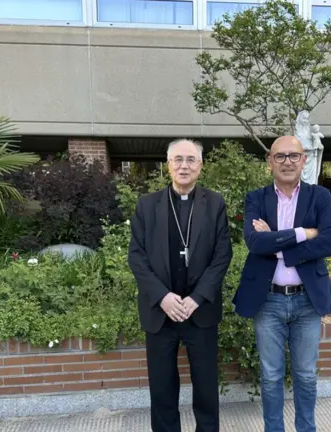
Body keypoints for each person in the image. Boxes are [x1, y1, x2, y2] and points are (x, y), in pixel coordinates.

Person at [233, 135, 331, 432]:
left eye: (294, 156)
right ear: (270, 162)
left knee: (305, 374)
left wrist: (275, 242)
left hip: (307, 301)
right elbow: (254, 242)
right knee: (270, 375)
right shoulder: (256, 198)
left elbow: (328, 243)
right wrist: (304, 233)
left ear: (304, 160)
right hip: (268, 300)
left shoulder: (320, 197)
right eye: (280, 156)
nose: (287, 162)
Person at [128, 138, 233, 432]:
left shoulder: (214, 203)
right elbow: (136, 257)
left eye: (190, 160)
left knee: (206, 388)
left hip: (200, 311)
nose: (184, 166)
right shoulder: (147, 205)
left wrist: (197, 297)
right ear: (168, 165)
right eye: (178, 160)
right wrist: (162, 297)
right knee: (162, 389)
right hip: (161, 312)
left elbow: (222, 255)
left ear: (200, 166)